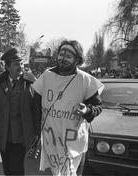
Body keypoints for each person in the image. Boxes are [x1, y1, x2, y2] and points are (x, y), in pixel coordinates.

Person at [32, 40, 104, 176]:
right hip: (51, 142)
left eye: (68, 56)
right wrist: (36, 133)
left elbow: (98, 106)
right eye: (61, 54)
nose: (62, 59)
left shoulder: (85, 80)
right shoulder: (46, 76)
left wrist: (87, 111)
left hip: (74, 144)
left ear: (77, 60)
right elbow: (35, 106)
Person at [0, 48, 41, 175]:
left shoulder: (30, 83)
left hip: (22, 136)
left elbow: (38, 108)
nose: (20, 67)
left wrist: (37, 132)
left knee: (17, 169)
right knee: (8, 169)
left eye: (21, 63)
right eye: (16, 64)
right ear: (8, 67)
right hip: (3, 135)